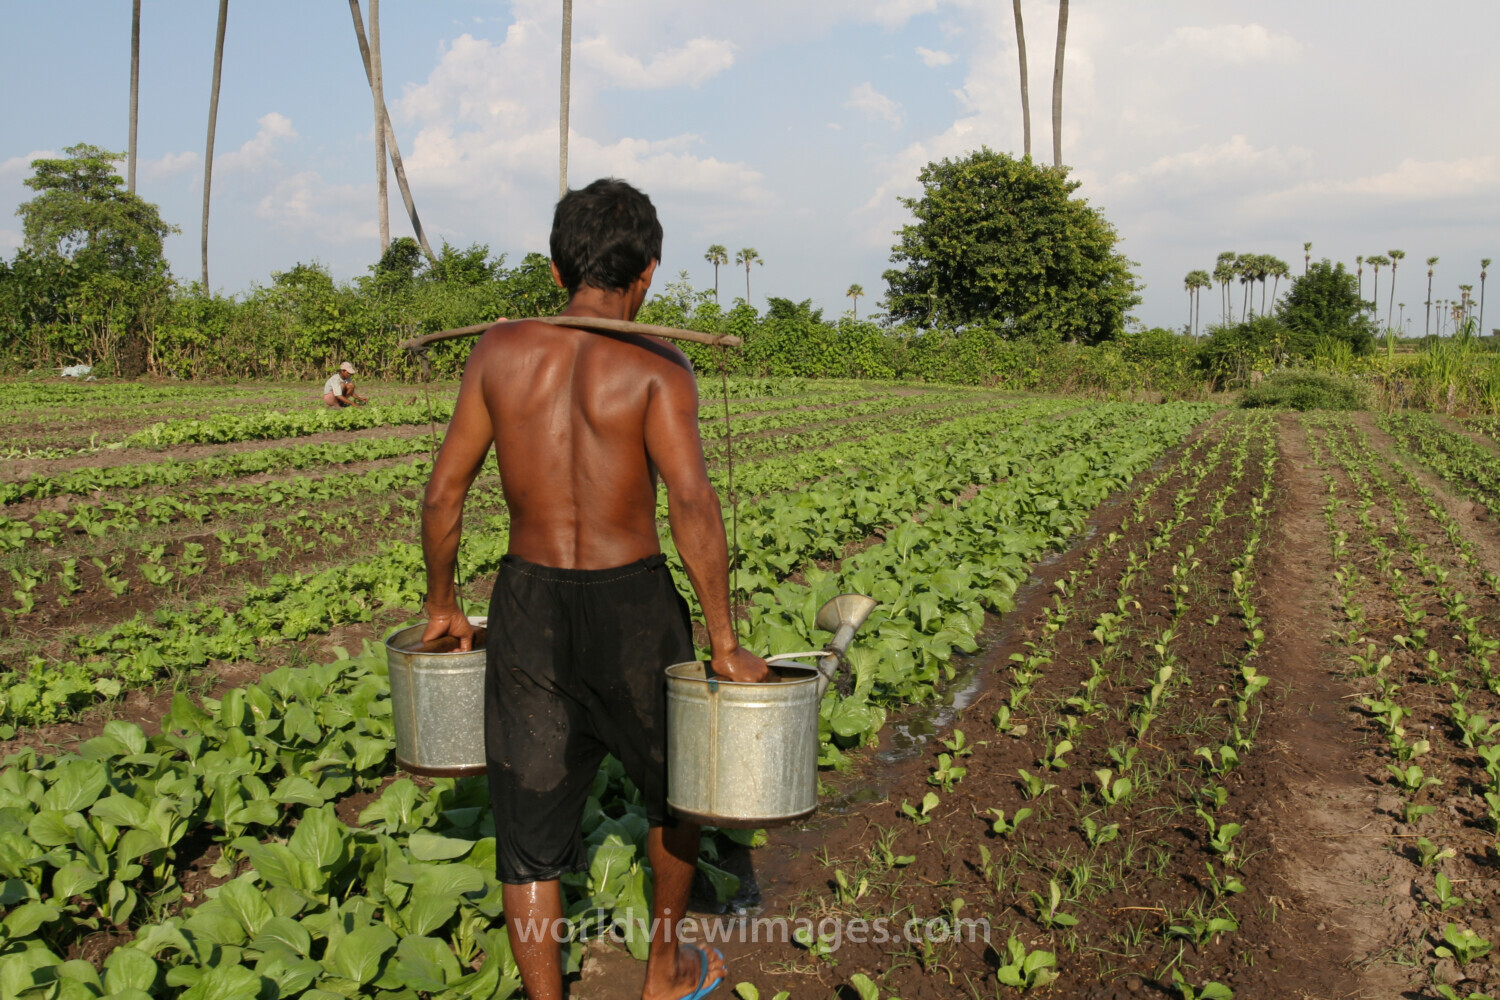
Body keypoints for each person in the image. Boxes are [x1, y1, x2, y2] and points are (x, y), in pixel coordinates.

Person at [420, 177, 770, 1000]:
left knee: (529, 832)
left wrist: (441, 602)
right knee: (674, 794)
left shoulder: (499, 352)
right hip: (632, 606)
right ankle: (662, 970)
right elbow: (690, 501)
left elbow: (444, 493)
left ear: (554, 271)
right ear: (648, 273)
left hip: (529, 604)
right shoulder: (655, 364)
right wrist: (722, 641)